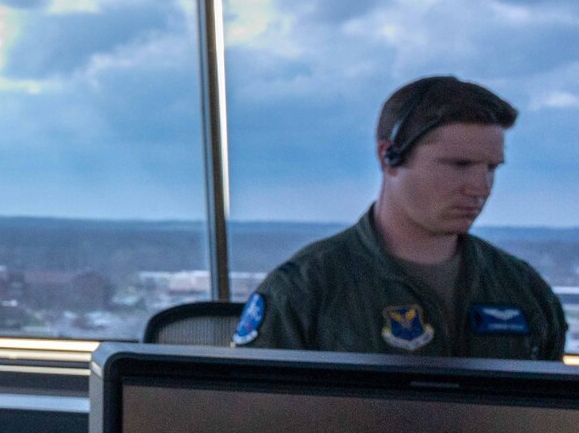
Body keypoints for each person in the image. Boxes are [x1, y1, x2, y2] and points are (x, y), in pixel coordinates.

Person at [234, 75, 567, 359]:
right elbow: (248, 420)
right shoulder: (305, 291)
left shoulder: (523, 291)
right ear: (389, 157)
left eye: (491, 168)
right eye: (459, 165)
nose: (480, 188)